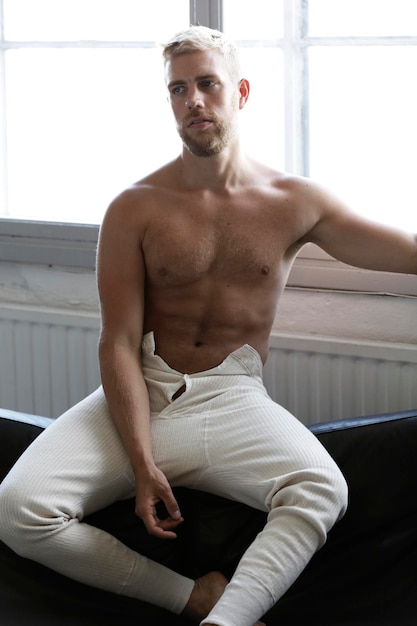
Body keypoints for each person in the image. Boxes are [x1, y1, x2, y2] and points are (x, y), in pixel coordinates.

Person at [0, 25, 416, 626]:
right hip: (142, 391)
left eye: (207, 84)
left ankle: (229, 620)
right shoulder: (134, 206)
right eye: (177, 89)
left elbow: (402, 249)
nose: (192, 100)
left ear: (239, 92)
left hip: (232, 397)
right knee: (17, 508)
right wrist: (143, 465)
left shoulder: (294, 200)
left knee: (323, 488)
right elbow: (117, 339)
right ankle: (191, 598)